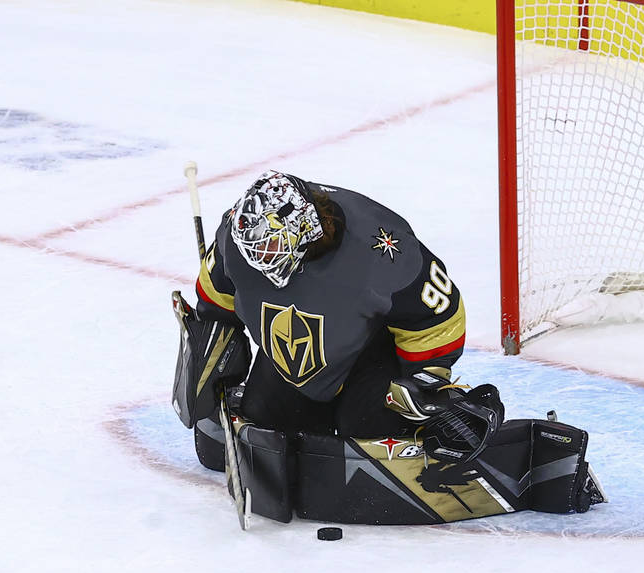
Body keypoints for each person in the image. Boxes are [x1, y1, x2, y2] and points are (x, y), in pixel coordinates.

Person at [172, 171, 603, 525]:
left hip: (369, 358)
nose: (256, 258)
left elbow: (439, 314)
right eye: (253, 247)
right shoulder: (238, 235)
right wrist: (214, 351)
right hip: (293, 358)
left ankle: (462, 407)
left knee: (365, 423)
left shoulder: (382, 248)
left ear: (305, 230)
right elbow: (217, 297)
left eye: (268, 247)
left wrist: (424, 380)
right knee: (263, 423)